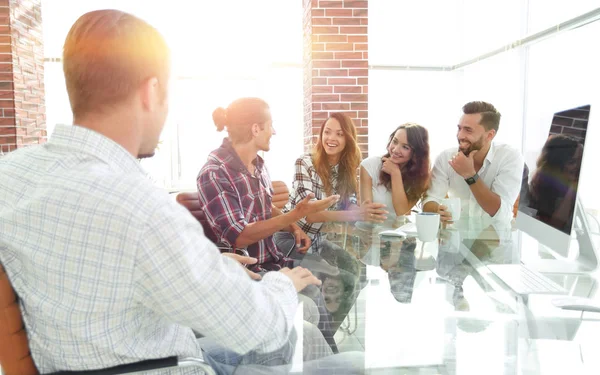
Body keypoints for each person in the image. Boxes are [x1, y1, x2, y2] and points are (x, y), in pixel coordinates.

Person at [0, 10, 362, 375]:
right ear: (150, 90)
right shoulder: (141, 207)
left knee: (309, 326)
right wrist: (282, 283)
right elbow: (259, 327)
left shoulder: (10, 174)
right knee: (340, 354)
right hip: (176, 365)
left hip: (103, 356)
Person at [423, 101, 524, 223]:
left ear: (490, 135)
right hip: (456, 236)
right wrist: (436, 209)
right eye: (459, 128)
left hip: (496, 237)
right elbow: (430, 199)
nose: (460, 135)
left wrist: (470, 175)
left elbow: (499, 212)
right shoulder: (446, 157)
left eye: (468, 130)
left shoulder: (509, 157)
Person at [360, 123, 431, 217]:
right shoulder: (369, 165)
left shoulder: (420, 177)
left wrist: (395, 174)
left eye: (405, 147)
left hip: (399, 230)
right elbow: (368, 212)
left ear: (416, 153)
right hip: (369, 230)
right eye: (395, 141)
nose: (395, 150)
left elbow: (402, 213)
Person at [526, 134, 582, 233]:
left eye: (579, 161)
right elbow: (553, 227)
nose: (577, 166)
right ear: (556, 163)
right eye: (572, 162)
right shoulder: (534, 190)